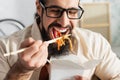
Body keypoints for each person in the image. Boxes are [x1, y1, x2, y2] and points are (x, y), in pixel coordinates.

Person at [0, 0, 120, 80]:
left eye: (72, 12)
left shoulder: (95, 43)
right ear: (39, 8)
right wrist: (21, 70)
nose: (64, 22)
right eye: (55, 11)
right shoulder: (5, 47)